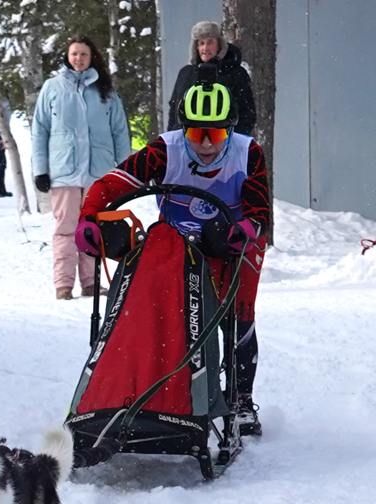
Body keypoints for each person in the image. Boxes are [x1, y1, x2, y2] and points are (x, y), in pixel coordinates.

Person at [77, 81, 269, 436]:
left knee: (238, 311)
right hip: (178, 239)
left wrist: (247, 228)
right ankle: (154, 391)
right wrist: (89, 214)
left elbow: (259, 212)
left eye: (216, 135)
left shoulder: (248, 152)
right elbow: (114, 182)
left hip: (234, 241)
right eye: (197, 133)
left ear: (230, 130)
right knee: (157, 306)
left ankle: (241, 400)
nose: (207, 144)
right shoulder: (165, 150)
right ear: (184, 129)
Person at [31, 35, 132, 299]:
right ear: (67, 56)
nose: (78, 58)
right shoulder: (53, 88)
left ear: (92, 57)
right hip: (63, 171)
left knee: (92, 226)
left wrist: (123, 172)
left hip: (98, 172)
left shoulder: (105, 91)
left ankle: (91, 281)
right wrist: (40, 169)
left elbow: (120, 132)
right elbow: (40, 130)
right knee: (65, 228)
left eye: (83, 54)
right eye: (74, 53)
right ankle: (63, 284)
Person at [166, 21, 256, 137]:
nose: (205, 48)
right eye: (201, 43)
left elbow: (247, 113)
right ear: (196, 47)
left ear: (219, 45)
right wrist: (173, 138)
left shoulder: (236, 73)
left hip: (224, 144)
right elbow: (174, 109)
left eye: (210, 42)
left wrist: (230, 140)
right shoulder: (186, 73)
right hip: (187, 143)